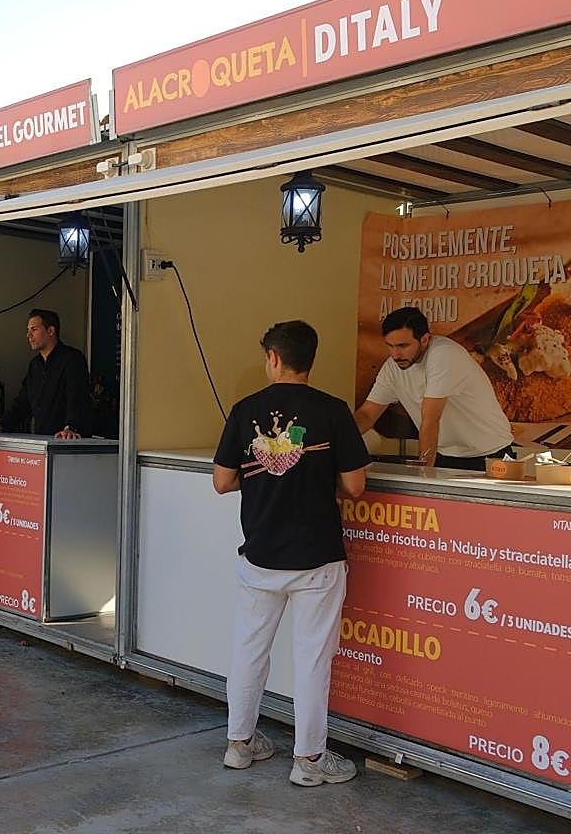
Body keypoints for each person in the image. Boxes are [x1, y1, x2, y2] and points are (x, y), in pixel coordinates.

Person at [213, 320, 369, 787]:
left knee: (249, 650)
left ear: (274, 358)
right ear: (310, 359)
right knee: (313, 660)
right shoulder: (333, 411)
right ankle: (309, 761)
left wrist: (263, 478)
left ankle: (239, 745)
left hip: (260, 554)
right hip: (317, 557)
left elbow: (222, 481)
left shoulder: (245, 410)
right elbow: (355, 486)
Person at [354, 307, 513, 470]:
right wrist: (341, 438)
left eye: (403, 346)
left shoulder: (444, 354)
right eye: (390, 346)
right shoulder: (392, 367)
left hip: (490, 455)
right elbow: (367, 415)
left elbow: (430, 420)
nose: (395, 354)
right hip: (445, 455)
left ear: (425, 339)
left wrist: (423, 474)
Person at [0, 309, 91, 439]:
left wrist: (71, 427)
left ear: (50, 331)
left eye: (34, 329)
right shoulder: (35, 365)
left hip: (69, 441)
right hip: (42, 440)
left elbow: (77, 397)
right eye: (28, 330)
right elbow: (22, 403)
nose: (28, 335)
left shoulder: (72, 359)